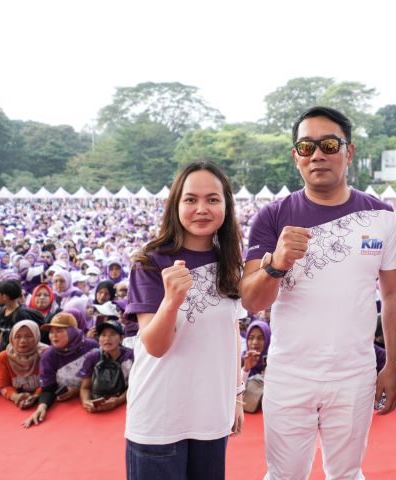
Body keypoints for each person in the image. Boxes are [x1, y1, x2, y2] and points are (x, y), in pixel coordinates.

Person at [240, 106, 396, 480]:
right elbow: (252, 300)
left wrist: (392, 364)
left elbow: (394, 295)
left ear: (349, 152)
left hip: (354, 373)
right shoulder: (272, 216)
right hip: (290, 372)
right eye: (306, 146)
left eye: (329, 144)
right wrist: (277, 263)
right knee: (284, 475)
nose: (318, 154)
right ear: (295, 156)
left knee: (346, 474)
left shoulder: (381, 215)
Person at [125, 161, 244, 480]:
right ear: (176, 205)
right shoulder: (150, 262)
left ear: (226, 206)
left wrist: (236, 394)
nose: (202, 208)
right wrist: (171, 300)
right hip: (159, 417)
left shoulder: (230, 264)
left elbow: (231, 330)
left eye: (213, 199)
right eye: (191, 199)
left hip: (211, 416)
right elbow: (155, 345)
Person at [22, 312, 98, 428]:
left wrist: (78, 390)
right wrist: (41, 407)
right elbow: (48, 388)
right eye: (51, 332)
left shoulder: (92, 346)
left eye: (59, 331)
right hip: (67, 409)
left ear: (72, 332)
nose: (53, 336)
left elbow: (103, 375)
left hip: (93, 399)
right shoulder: (48, 356)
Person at [78, 320, 133, 413]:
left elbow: (134, 385)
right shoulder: (92, 357)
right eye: (103, 335)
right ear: (98, 339)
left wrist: (119, 400)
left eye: (112, 334)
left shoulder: (131, 356)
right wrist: (86, 401)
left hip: (126, 405)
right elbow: (85, 387)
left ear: (121, 338)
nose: (107, 338)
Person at [0, 320, 47, 408]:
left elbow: (49, 382)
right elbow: (4, 385)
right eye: (17, 337)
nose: (23, 341)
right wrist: (15, 396)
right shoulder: (3, 357)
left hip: (44, 399)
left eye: (29, 336)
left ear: (37, 336)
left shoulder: (46, 353)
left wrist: (36, 396)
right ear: (11, 337)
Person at [240, 319, 270, 413]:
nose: (255, 342)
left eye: (260, 338)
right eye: (251, 337)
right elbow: (235, 391)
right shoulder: (241, 359)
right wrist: (246, 368)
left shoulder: (274, 360)